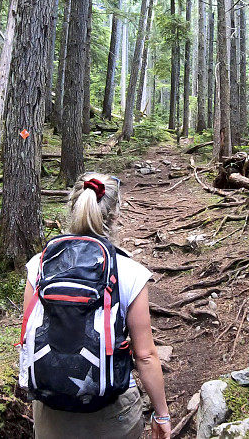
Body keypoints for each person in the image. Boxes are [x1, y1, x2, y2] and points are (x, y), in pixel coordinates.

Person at [20, 173, 171, 439]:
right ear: (116, 213)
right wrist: (161, 414)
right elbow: (145, 355)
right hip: (111, 413)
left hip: (51, 413)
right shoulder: (129, 271)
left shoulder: (38, 265)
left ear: (72, 207)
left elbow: (29, 334)